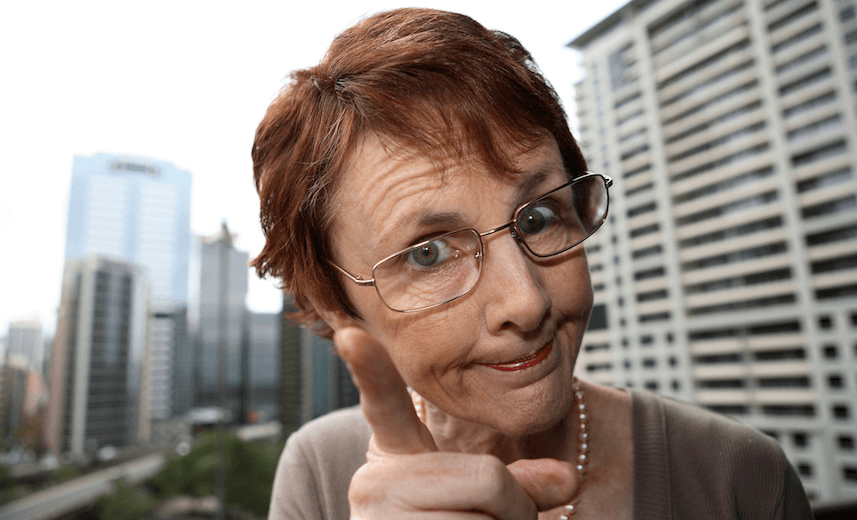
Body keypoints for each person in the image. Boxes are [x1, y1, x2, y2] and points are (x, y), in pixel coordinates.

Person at [251, 8, 813, 519]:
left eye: (539, 217)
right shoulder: (318, 475)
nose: (527, 301)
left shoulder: (740, 478)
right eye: (429, 254)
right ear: (340, 307)